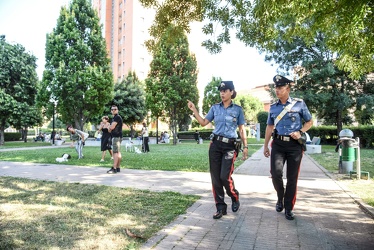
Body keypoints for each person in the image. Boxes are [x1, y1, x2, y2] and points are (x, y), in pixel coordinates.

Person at [187, 80, 248, 219]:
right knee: (215, 178)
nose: (222, 93)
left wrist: (245, 147)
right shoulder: (215, 108)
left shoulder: (237, 109)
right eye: (221, 91)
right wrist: (194, 110)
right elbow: (203, 122)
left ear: (231, 92)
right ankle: (220, 207)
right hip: (215, 145)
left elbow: (242, 129)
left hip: (230, 147)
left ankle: (234, 196)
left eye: (225, 91)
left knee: (224, 177)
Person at [263, 75, 313, 220]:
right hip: (278, 143)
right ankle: (280, 197)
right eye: (276, 87)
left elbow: (309, 121)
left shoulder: (299, 104)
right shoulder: (273, 107)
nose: (277, 90)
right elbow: (269, 126)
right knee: (275, 173)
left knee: (292, 178)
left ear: (288, 88)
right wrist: (266, 146)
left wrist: (300, 132)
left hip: (294, 146)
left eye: (280, 88)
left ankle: (289, 207)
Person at [107, 105, 123, 174]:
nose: (113, 110)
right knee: (118, 152)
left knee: (115, 152)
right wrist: (109, 127)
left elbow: (111, 127)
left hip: (116, 137)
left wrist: (109, 126)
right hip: (117, 137)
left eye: (115, 109)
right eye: (112, 109)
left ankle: (114, 168)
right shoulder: (114, 118)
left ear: (117, 110)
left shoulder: (117, 117)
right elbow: (109, 130)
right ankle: (118, 167)